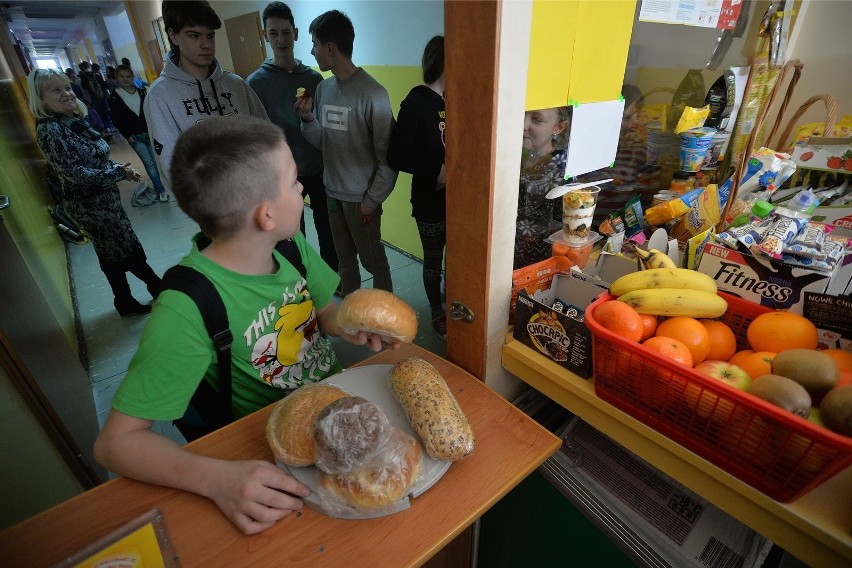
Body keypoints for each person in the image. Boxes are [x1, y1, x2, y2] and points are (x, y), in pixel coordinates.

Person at [93, 116, 395, 535]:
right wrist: (216, 479)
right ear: (266, 214)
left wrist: (351, 324)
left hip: (336, 408)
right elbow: (116, 444)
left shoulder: (289, 246)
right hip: (272, 451)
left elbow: (325, 313)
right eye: (293, 181)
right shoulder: (186, 305)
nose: (302, 187)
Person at [27, 69, 161, 316]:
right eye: (56, 90)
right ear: (41, 98)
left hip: (103, 198)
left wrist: (118, 169)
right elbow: (76, 174)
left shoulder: (71, 121)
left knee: (112, 252)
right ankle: (157, 287)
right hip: (88, 204)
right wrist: (117, 174)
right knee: (125, 247)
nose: (66, 93)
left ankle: (124, 301)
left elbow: (96, 159)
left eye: (67, 87)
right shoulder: (50, 130)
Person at [295, 10, 398, 296]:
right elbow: (324, 143)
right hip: (332, 196)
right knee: (345, 263)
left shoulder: (373, 93)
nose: (312, 51)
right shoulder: (323, 89)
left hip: (361, 201)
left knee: (375, 263)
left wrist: (370, 201)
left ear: (330, 48)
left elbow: (388, 158)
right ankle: (351, 318)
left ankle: (383, 321)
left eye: (315, 44)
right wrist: (308, 121)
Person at [248, 2, 338, 274]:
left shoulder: (314, 79)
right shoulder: (255, 83)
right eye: (273, 33)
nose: (281, 40)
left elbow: (324, 126)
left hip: (319, 169)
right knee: (293, 236)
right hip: (285, 177)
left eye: (286, 32)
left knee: (329, 232)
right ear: (265, 36)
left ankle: (333, 278)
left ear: (296, 33)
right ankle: (300, 284)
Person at [144, 0, 268, 186]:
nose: (206, 45)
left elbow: (266, 136)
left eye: (210, 36)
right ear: (173, 36)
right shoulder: (160, 96)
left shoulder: (236, 84)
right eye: (194, 36)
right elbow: (173, 169)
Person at [387, 36, 447, 339]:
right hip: (429, 200)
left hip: (460, 201)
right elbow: (396, 155)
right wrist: (437, 171)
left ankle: (453, 304)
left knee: (462, 260)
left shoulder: (457, 99)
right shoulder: (416, 102)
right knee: (434, 260)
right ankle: (437, 311)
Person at [514, 106, 571, 269]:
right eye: (521, 114)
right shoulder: (504, 153)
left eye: (536, 120)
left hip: (535, 268)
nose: (524, 125)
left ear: (559, 127)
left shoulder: (562, 172)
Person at [109, 64, 169, 202]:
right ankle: (161, 190)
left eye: (128, 76)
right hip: (135, 136)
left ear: (132, 77)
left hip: (150, 132)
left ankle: (160, 185)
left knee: (157, 161)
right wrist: (127, 135)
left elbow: (150, 109)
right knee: (149, 163)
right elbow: (116, 119)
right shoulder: (114, 97)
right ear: (117, 78)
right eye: (122, 77)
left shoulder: (141, 91)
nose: (125, 79)